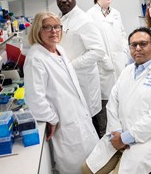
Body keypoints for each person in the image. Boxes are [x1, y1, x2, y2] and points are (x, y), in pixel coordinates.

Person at [82, 27, 151, 174]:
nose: (138, 48)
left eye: (143, 44)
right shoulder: (128, 70)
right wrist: (116, 131)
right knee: (87, 169)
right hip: (119, 134)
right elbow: (112, 103)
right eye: (133, 45)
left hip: (149, 139)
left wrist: (125, 138)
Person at [24, 11, 99, 174]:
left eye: (57, 27)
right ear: (38, 30)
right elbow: (35, 99)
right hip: (64, 125)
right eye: (47, 27)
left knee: (92, 164)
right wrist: (51, 119)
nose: (54, 31)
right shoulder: (35, 58)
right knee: (75, 168)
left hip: (79, 117)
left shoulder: (59, 50)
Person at [55, 0, 105, 137]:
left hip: (84, 81)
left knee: (90, 123)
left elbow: (98, 51)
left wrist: (70, 65)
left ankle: (99, 158)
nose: (64, 0)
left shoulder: (84, 20)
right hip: (71, 79)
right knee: (81, 124)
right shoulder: (62, 18)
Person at [86, 0, 129, 137]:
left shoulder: (116, 13)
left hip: (119, 62)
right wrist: (104, 60)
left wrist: (125, 51)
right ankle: (105, 135)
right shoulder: (90, 15)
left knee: (119, 98)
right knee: (105, 101)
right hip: (102, 65)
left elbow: (123, 34)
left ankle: (119, 134)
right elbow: (91, 42)